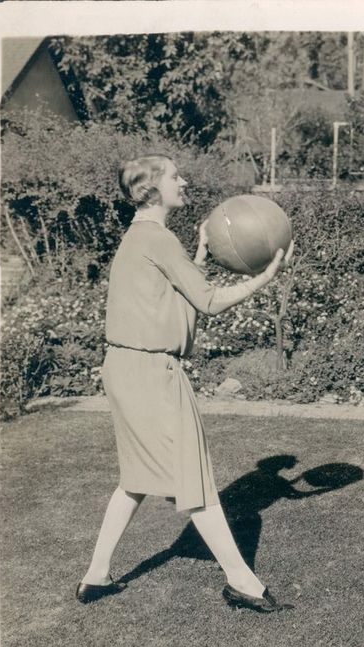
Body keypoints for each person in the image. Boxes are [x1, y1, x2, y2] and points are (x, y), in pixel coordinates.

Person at [76, 154, 294, 612]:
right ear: (152, 189)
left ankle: (96, 576)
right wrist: (266, 277)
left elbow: (176, 300)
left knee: (134, 480)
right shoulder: (157, 238)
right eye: (175, 176)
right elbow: (209, 301)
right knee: (194, 481)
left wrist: (194, 255)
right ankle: (243, 582)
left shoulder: (142, 237)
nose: (184, 181)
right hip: (150, 373)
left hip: (129, 367)